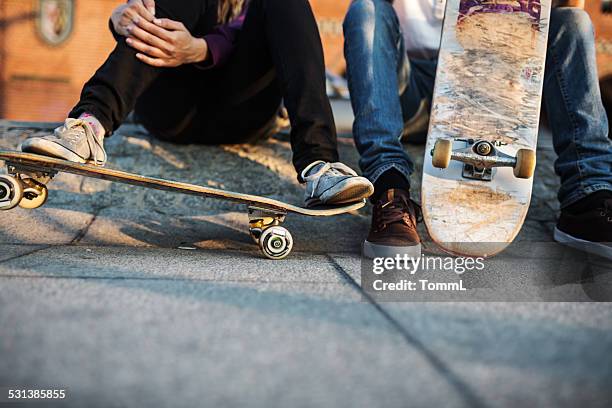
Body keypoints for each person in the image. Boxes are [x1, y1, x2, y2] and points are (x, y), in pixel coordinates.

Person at [21, 0, 374, 207]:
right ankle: (89, 125)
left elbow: (244, 30)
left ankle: (319, 165)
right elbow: (149, 8)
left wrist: (201, 49)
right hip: (170, 107)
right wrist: (120, 19)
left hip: (244, 108)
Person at [343, 0, 612, 259]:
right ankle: (390, 191)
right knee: (366, 10)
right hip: (408, 92)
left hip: (488, 93)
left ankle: (587, 196)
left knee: (572, 20)